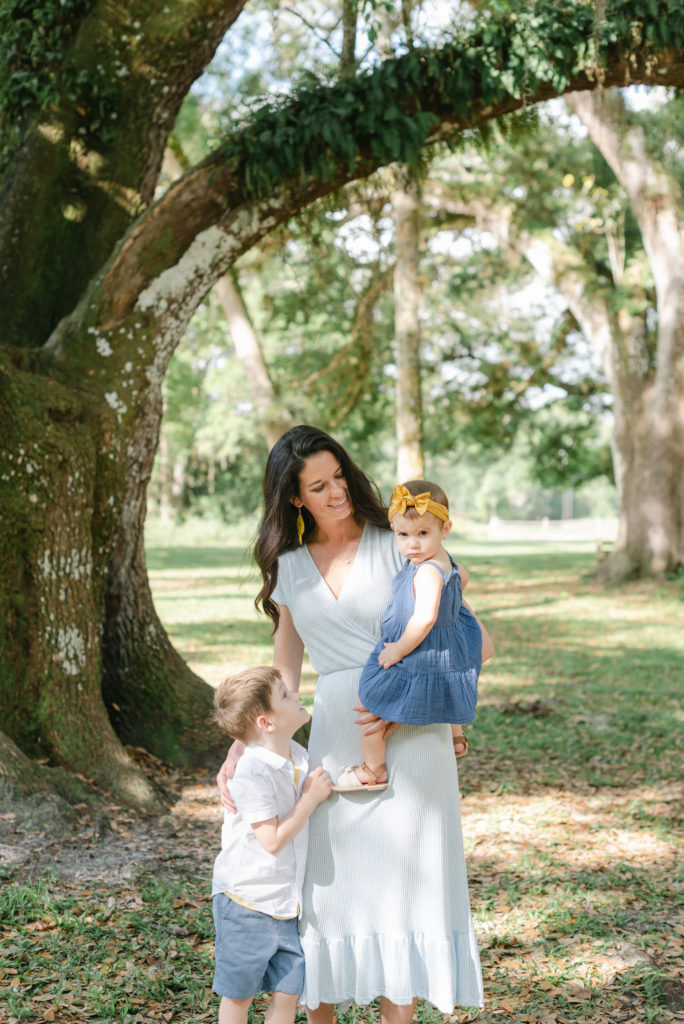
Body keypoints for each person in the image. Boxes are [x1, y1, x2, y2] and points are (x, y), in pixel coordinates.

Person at [218, 425, 492, 1022]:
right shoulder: (289, 566)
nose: (337, 490)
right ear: (296, 498)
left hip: (410, 727)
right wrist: (243, 745)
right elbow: (284, 667)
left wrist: (434, 713)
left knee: (402, 890)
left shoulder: (400, 538)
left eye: (339, 475)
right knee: (329, 892)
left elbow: (455, 628)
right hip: (339, 732)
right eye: (319, 486)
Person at [334, 479, 484, 791]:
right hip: (442, 647)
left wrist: (398, 650)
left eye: (422, 534)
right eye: (403, 535)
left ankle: (372, 768)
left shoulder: (427, 570)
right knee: (444, 686)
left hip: (419, 648)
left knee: (368, 698)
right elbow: (462, 577)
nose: (412, 544)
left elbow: (425, 617)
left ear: (445, 530)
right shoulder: (441, 561)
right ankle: (455, 735)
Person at [211, 665, 332, 1024]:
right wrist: (309, 800)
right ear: (265, 723)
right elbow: (272, 841)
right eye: (284, 695)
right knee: (239, 997)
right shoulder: (251, 772)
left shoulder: (298, 755)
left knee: (288, 995)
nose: (295, 694)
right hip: (246, 902)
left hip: (285, 902)